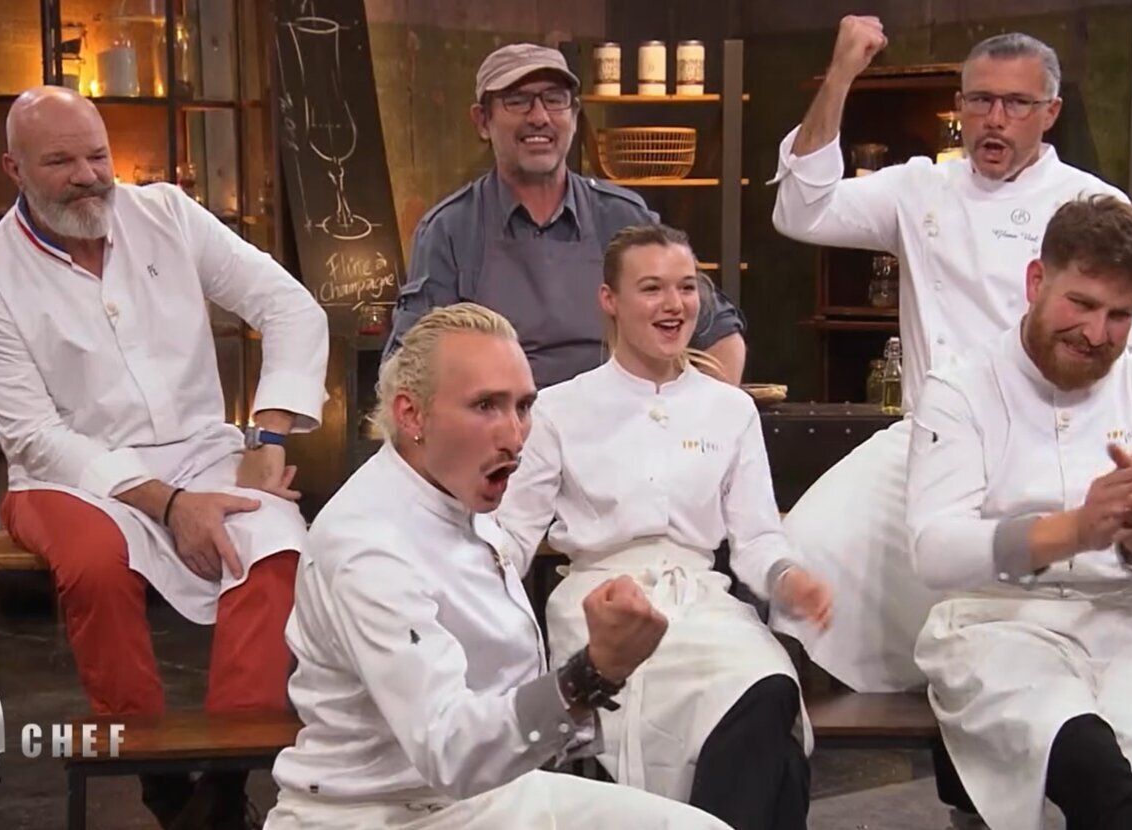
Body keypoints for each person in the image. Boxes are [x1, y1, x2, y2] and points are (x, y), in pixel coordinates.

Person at [0, 86, 329, 829]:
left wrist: (268, 439)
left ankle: (225, 778)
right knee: (95, 564)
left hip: (203, 454)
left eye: (98, 156)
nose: (88, 176)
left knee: (276, 547)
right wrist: (169, 504)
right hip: (70, 474)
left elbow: (290, 307)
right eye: (60, 162)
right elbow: (33, 436)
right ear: (14, 169)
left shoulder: (167, 214)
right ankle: (156, 773)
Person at [769, 22, 1132, 695]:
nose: (995, 119)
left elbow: (1110, 351)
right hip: (928, 437)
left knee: (1005, 616)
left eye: (1017, 103)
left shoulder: (1091, 208)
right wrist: (842, 72)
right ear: (960, 106)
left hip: (1035, 442)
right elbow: (801, 210)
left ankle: (1006, 723)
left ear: (1051, 113)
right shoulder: (922, 189)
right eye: (980, 101)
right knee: (805, 548)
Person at [265, 303, 731, 830]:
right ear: (411, 414)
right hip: (378, 813)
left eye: (524, 406)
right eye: (486, 405)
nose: (514, 435)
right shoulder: (368, 544)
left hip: (494, 794)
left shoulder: (460, 496)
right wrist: (592, 673)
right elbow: (449, 752)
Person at [495, 224, 833, 830]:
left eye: (686, 287)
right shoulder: (559, 409)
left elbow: (757, 538)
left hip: (704, 605)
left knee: (770, 687)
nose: (673, 304)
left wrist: (788, 578)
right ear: (610, 300)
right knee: (773, 748)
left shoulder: (730, 409)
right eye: (651, 288)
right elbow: (513, 535)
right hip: (603, 607)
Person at [907, 195, 1132, 830]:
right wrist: (1074, 530)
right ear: (1036, 282)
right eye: (1081, 304)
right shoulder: (960, 389)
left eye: (1119, 315)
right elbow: (934, 551)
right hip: (998, 626)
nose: (1097, 334)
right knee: (1085, 757)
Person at [384, 42, 748, 387]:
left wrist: (690, 417)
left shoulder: (624, 218)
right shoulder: (449, 230)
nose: (539, 117)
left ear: (574, 115)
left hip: (614, 426)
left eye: (555, 100)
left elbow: (719, 331)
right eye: (517, 101)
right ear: (482, 121)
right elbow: (407, 367)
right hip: (501, 429)